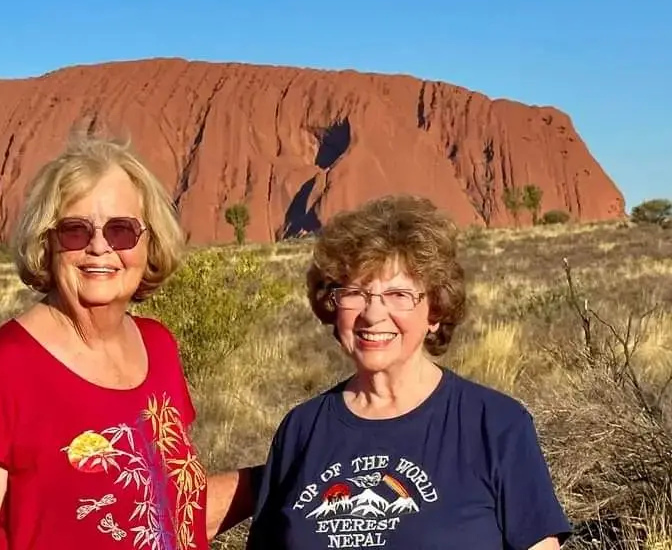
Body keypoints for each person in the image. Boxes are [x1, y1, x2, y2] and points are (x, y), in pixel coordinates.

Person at [0, 134, 256, 550]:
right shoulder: (2, 367)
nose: (99, 247)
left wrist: (280, 476)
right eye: (75, 231)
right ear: (47, 242)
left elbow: (173, 512)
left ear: (149, 241)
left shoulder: (158, 347)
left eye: (121, 230)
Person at [246, 194, 573, 550]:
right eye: (355, 293)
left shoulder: (495, 425)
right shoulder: (301, 430)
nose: (373, 314)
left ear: (435, 312)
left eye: (398, 294)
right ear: (331, 305)